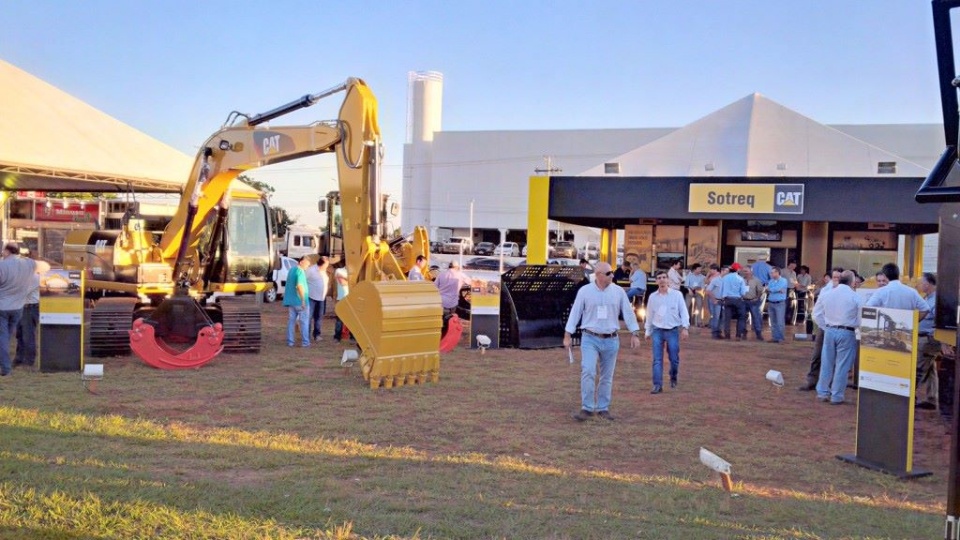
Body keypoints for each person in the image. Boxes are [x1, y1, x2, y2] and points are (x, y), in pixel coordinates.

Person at [564, 261, 641, 421]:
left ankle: (603, 408)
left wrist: (635, 332)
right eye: (608, 273)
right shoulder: (584, 291)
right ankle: (586, 407)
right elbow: (575, 312)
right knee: (588, 371)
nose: (612, 275)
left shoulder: (619, 292)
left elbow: (628, 313)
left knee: (607, 376)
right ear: (598, 275)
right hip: (590, 338)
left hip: (611, 339)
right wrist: (568, 334)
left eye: (612, 272)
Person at [813, 270, 862, 405]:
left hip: (829, 330)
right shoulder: (855, 297)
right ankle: (836, 395)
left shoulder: (827, 294)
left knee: (827, 362)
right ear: (852, 282)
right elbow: (860, 320)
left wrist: (825, 326)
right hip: (847, 331)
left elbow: (816, 314)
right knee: (842, 365)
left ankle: (822, 392)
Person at [644, 270, 690, 394]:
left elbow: (684, 312)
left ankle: (673, 375)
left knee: (674, 358)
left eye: (664, 277)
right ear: (656, 281)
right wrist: (647, 331)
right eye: (659, 278)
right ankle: (657, 385)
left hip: (672, 330)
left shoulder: (677, 295)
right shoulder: (653, 297)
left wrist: (685, 328)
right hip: (657, 330)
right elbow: (649, 314)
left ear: (668, 280)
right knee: (657, 359)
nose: (662, 280)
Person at [798, 267, 843, 391]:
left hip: (840, 329)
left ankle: (830, 383)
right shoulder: (826, 291)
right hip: (825, 328)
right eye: (834, 277)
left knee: (835, 358)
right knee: (817, 355)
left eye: (839, 278)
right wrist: (825, 327)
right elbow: (817, 312)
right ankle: (812, 381)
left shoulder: (846, 291)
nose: (836, 280)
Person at [0, 242, 37, 376]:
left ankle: (6, 369)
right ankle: (4, 361)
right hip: (18, 307)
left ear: (7, 251)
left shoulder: (2, 265)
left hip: (2, 307)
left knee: (2, 338)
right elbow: (43, 266)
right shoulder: (28, 264)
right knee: (7, 337)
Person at [14, 256, 49, 369]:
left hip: (29, 308)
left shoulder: (33, 277)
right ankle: (19, 358)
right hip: (21, 307)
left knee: (28, 334)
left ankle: (28, 361)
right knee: (19, 334)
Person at [916, 272, 938, 410]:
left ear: (928, 284)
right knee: (930, 370)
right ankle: (932, 398)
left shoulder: (935, 300)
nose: (918, 284)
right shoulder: (928, 298)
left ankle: (910, 397)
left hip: (928, 339)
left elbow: (936, 320)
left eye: (920, 282)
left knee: (919, 368)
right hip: (926, 338)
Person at [435, 260, 471, 335]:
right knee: (450, 320)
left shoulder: (441, 274)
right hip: (452, 303)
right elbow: (470, 282)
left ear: (449, 266)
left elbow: (435, 286)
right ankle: (448, 336)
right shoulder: (460, 274)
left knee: (441, 320)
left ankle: (440, 336)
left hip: (441, 301)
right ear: (457, 267)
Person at [284, 255, 311, 347]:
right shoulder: (300, 272)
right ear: (301, 262)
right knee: (304, 321)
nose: (307, 266)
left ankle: (290, 342)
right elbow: (299, 285)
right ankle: (305, 342)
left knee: (291, 321)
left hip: (291, 300)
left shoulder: (291, 270)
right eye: (307, 264)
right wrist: (303, 300)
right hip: (300, 301)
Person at [718, 263, 747, 340]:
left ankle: (727, 335)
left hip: (727, 299)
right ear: (737, 269)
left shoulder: (725, 278)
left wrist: (722, 298)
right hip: (737, 300)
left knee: (727, 318)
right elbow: (743, 292)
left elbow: (721, 290)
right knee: (741, 317)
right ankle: (738, 335)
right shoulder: (740, 279)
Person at [305, 255, 330, 342]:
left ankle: (317, 334)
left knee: (319, 317)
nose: (327, 266)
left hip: (321, 298)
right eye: (326, 264)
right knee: (309, 317)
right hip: (311, 297)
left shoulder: (324, 272)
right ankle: (306, 336)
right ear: (322, 264)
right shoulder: (311, 270)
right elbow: (304, 281)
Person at [765, 266, 789, 343]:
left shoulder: (783, 280)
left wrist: (771, 289)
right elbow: (769, 289)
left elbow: (775, 288)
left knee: (780, 321)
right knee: (773, 321)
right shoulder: (771, 281)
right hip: (771, 302)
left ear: (777, 272)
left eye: (772, 272)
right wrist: (775, 290)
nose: (771, 274)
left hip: (779, 303)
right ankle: (774, 337)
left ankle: (781, 338)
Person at [741, 267, 765, 340]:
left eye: (747, 271)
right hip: (743, 301)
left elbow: (760, 291)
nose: (745, 273)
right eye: (744, 271)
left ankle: (758, 333)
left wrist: (757, 298)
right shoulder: (741, 279)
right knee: (742, 318)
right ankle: (743, 332)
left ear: (751, 271)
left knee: (756, 317)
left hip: (753, 301)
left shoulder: (756, 280)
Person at [333, 264, 352, 342]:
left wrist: (346, 279)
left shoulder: (355, 272)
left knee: (352, 319)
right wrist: (351, 281)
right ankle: (337, 337)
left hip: (352, 299)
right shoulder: (339, 270)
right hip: (342, 298)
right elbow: (342, 283)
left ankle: (352, 337)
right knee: (339, 319)